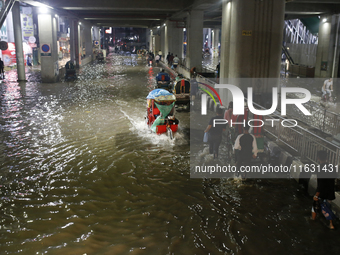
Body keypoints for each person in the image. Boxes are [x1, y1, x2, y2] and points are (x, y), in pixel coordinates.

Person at [311, 150, 337, 229]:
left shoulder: (320, 168)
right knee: (327, 208)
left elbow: (321, 184)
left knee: (314, 207)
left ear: (318, 158)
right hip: (330, 192)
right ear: (326, 158)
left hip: (322, 193)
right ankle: (331, 224)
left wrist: (316, 195)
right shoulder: (331, 167)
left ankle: (313, 220)